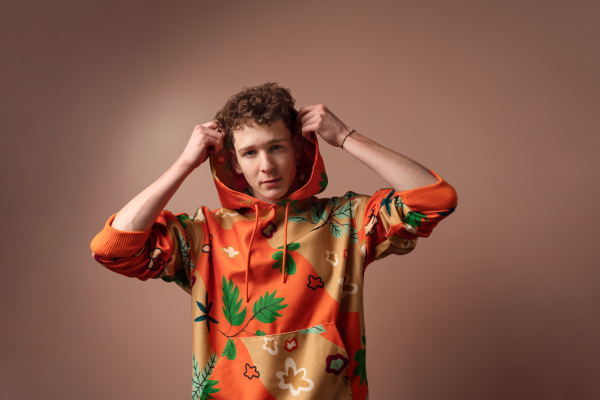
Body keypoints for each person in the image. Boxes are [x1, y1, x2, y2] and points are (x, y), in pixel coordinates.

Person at [90, 82, 458, 400]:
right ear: (233, 162)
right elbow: (112, 248)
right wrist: (185, 163)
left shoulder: (347, 221)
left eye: (276, 147)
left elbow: (434, 199)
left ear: (297, 149)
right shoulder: (204, 234)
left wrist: (346, 137)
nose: (266, 165)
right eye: (250, 152)